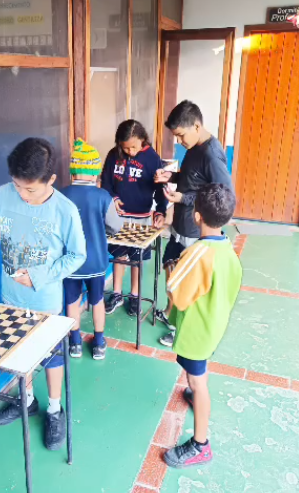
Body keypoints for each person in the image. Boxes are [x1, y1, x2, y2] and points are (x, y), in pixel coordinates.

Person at [0, 138, 86, 450]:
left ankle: (55, 410)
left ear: (51, 180)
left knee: (51, 356)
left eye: (30, 189)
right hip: (11, 299)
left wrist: (39, 276)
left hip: (45, 302)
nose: (22, 194)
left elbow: (77, 255)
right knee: (20, 352)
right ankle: (27, 400)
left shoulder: (65, 210)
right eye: (17, 185)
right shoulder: (3, 195)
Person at [163, 183, 242, 468]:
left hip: (197, 331)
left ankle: (200, 445)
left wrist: (171, 267)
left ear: (196, 216)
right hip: (213, 325)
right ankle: (195, 395)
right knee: (196, 376)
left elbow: (176, 294)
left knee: (198, 381)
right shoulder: (228, 251)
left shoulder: (198, 252)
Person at [155, 100, 233, 347]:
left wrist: (184, 198)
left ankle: (182, 331)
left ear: (196, 127)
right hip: (181, 225)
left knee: (188, 285)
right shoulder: (195, 146)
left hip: (194, 230)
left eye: (180, 135)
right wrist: (171, 176)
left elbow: (223, 194)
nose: (179, 141)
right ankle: (172, 316)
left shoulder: (211, 155)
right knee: (172, 273)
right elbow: (193, 178)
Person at [61, 139, 123, 360]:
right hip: (96, 261)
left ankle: (75, 342)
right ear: (94, 172)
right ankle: (98, 343)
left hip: (69, 262)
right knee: (97, 301)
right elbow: (115, 226)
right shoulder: (103, 196)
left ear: (73, 171)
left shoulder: (60, 195)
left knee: (72, 301)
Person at [101, 120, 167, 316]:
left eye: (134, 147)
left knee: (137, 258)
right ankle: (117, 294)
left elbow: (160, 188)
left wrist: (161, 210)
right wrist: (113, 197)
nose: (130, 151)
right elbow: (106, 181)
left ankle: (135, 295)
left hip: (141, 219)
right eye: (126, 148)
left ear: (143, 139)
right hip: (118, 217)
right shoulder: (114, 155)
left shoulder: (152, 158)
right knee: (119, 255)